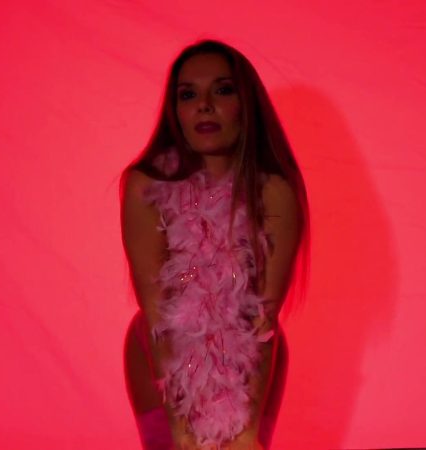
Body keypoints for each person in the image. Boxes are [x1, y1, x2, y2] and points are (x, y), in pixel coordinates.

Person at [121, 39, 309, 450]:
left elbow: (263, 319)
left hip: (250, 357)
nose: (204, 106)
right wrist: (181, 431)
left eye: (222, 90)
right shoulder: (146, 184)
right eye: (188, 95)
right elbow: (157, 312)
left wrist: (246, 435)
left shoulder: (274, 190)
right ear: (175, 111)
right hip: (162, 351)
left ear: (246, 104)